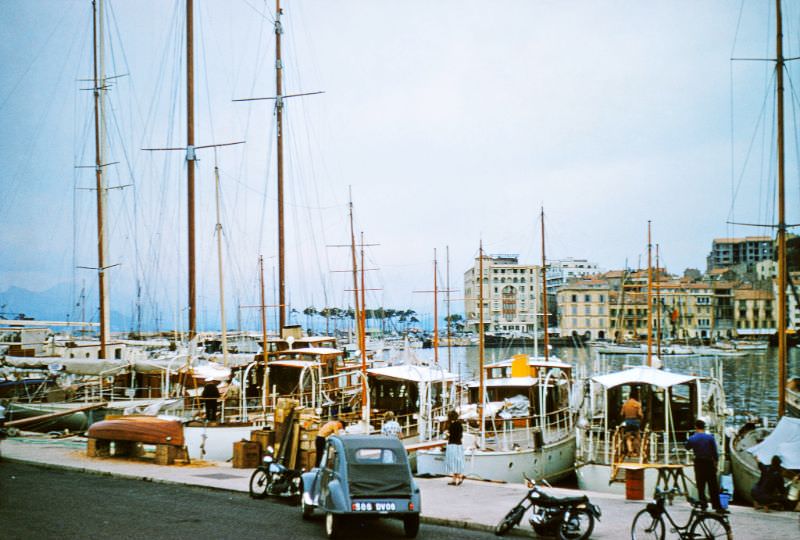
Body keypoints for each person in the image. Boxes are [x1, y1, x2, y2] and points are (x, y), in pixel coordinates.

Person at [685, 419, 723, 512]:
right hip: (709, 463)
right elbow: (714, 452)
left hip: (698, 463)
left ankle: (703, 505)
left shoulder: (692, 438)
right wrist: (716, 463)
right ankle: (717, 506)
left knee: (701, 485)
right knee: (713, 486)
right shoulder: (710, 437)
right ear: (704, 427)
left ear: (696, 427)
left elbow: (687, 447)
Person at [620, 388, 643, 455]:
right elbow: (640, 414)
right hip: (635, 421)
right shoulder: (638, 404)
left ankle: (630, 449)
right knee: (636, 436)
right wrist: (642, 418)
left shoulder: (625, 404)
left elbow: (621, 414)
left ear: (629, 396)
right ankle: (637, 451)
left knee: (628, 437)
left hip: (628, 421)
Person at [445, 410, 464, 486]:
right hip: (459, 445)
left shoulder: (452, 425)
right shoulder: (459, 424)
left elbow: (451, 435)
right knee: (458, 461)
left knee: (452, 462)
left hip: (452, 444)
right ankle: (457, 478)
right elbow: (460, 435)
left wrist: (447, 434)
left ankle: (457, 478)